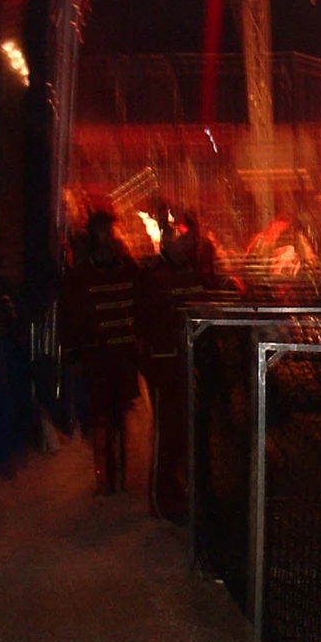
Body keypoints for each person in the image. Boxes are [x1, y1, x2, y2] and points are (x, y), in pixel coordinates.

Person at [59, 208, 143, 496]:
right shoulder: (81, 276)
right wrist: (73, 354)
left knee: (121, 417)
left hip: (124, 355)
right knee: (100, 417)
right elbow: (69, 318)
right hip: (96, 358)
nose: (107, 239)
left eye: (110, 232)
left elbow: (141, 309)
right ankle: (104, 479)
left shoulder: (128, 269)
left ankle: (121, 476)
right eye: (102, 233)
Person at [139, 211, 206, 521]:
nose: (189, 245)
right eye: (184, 239)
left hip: (184, 361)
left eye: (191, 239)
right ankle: (160, 496)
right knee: (166, 431)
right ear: (167, 239)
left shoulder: (189, 270)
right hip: (163, 361)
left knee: (181, 430)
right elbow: (148, 321)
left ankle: (176, 490)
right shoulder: (153, 275)